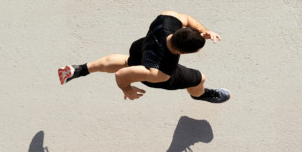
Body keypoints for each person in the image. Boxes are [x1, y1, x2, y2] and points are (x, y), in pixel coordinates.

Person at [58, 10, 230, 103]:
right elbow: (121, 75)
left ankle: (79, 70)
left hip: (142, 47)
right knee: (199, 78)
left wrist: (203, 32)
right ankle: (199, 95)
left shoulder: (167, 19)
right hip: (153, 70)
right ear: (182, 53)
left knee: (127, 62)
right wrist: (127, 90)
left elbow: (185, 17)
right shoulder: (162, 71)